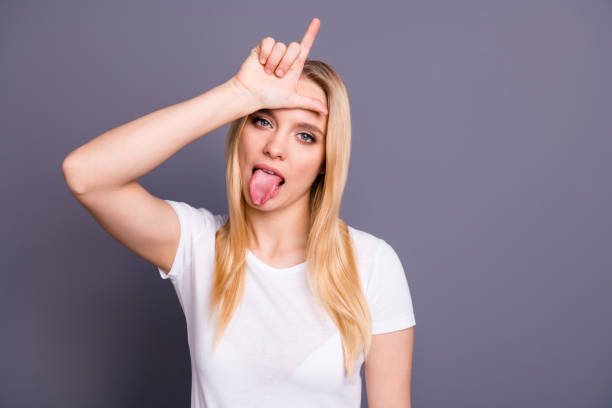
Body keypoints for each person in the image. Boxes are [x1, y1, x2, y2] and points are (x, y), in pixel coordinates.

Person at [62, 17, 415, 408]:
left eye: (305, 136)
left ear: (325, 161)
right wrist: (238, 94)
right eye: (262, 120)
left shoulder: (372, 264)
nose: (275, 147)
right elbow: (85, 175)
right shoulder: (198, 246)